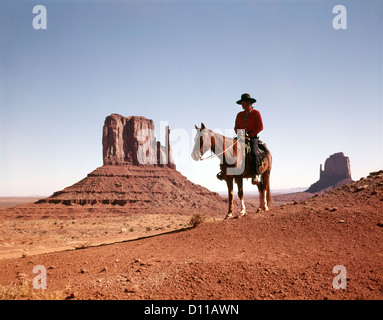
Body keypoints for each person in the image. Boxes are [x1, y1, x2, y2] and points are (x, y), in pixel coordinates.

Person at [234, 93, 263, 184]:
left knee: (253, 153)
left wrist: (250, 135)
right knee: (230, 149)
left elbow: (260, 127)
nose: (242, 105)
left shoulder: (256, 113)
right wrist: (242, 136)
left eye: (244, 103)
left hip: (252, 137)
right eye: (241, 103)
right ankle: (225, 172)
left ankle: (255, 174)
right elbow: (236, 128)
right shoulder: (239, 115)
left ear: (249, 103)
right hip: (241, 137)